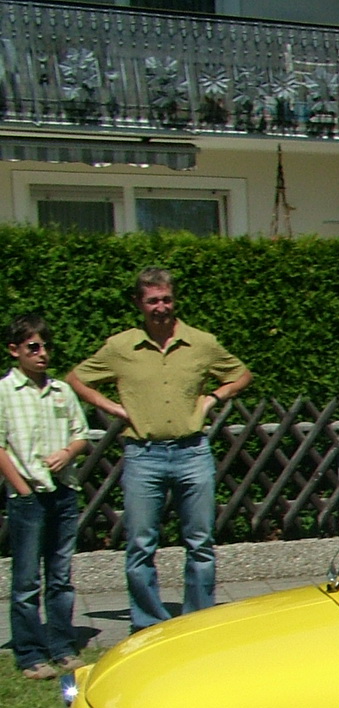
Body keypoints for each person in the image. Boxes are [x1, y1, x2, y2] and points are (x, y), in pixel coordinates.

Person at [67, 267, 252, 630]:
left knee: (200, 543)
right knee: (140, 546)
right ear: (139, 303)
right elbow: (77, 378)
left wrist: (213, 398)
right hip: (143, 456)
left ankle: (197, 620)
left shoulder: (201, 343)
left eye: (166, 299)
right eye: (152, 300)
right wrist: (116, 410)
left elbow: (241, 373)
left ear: (174, 299)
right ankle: (148, 623)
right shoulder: (121, 347)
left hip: (193, 452)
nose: (161, 307)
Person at [0, 314, 90, 679]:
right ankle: (30, 653)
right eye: (33, 347)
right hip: (28, 497)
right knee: (26, 581)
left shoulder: (61, 391)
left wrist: (68, 453)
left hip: (63, 493)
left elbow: (81, 433)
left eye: (46, 347)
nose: (42, 354)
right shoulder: (5, 392)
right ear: (14, 351)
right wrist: (21, 488)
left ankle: (62, 646)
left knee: (60, 576)